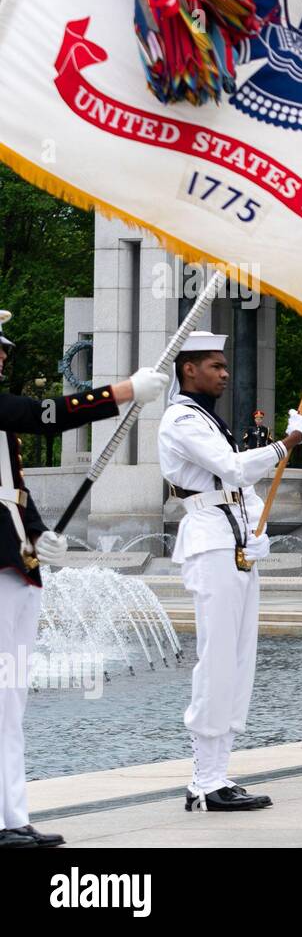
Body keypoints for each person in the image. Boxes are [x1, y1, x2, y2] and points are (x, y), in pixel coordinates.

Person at [0, 309, 167, 848]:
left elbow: (10, 490)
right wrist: (121, 392)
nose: (4, 354)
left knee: (11, 698)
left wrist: (36, 533)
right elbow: (45, 413)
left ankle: (11, 817)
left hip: (13, 566)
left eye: (5, 345)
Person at [158, 331, 302, 812]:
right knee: (217, 659)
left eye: (225, 366)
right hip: (210, 543)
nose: (225, 373)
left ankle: (219, 775)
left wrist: (257, 527)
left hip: (236, 542)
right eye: (215, 366)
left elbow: (239, 490)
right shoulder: (180, 418)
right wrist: (290, 442)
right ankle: (202, 783)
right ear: (189, 370)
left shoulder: (207, 418)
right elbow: (234, 469)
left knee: (240, 664)